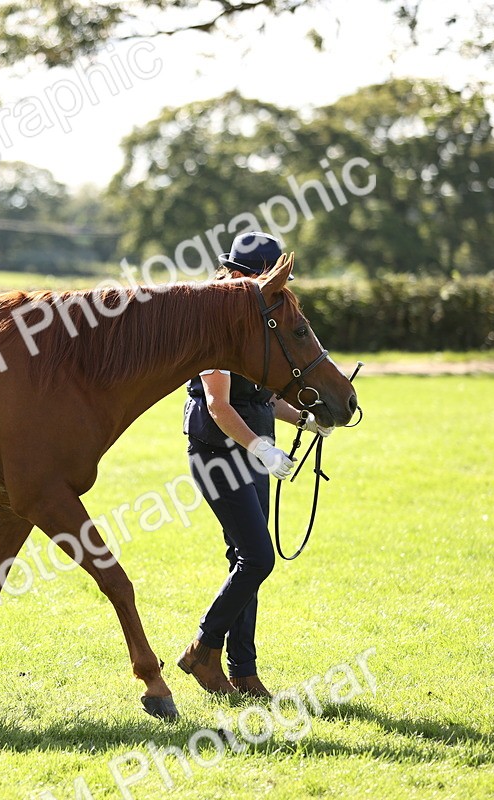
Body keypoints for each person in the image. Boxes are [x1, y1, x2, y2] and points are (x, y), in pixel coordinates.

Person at [176, 231, 333, 699]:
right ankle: (203, 647)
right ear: (246, 278)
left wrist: (304, 417)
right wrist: (261, 448)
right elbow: (220, 405)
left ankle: (243, 671)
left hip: (251, 446)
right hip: (218, 453)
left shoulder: (255, 322)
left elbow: (259, 398)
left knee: (244, 559)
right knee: (258, 558)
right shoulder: (212, 322)